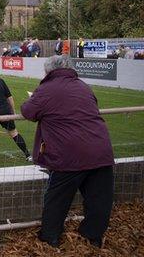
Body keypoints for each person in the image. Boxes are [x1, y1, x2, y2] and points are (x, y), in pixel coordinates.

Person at [21, 55, 114, 248]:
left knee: (57, 199)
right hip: (100, 150)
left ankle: (50, 237)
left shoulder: (47, 89)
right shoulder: (83, 86)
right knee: (99, 200)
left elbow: (28, 111)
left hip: (69, 155)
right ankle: (92, 237)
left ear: (49, 71)